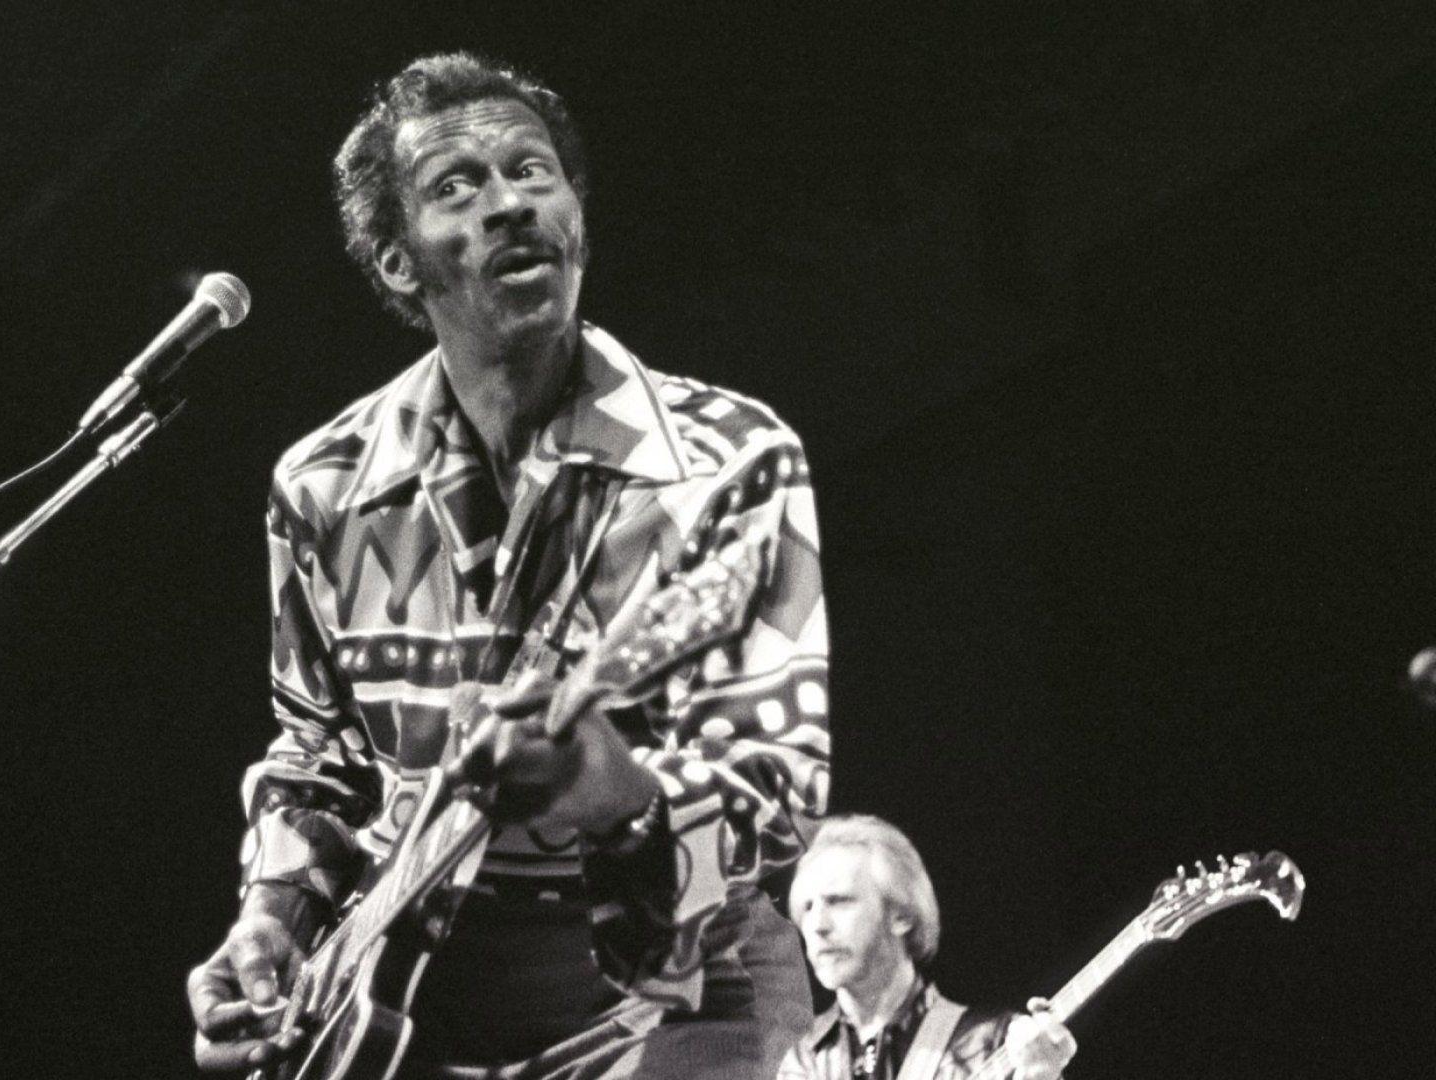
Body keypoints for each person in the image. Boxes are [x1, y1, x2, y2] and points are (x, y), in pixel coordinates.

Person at [186, 52, 831, 1079]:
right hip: (413, 987)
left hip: (680, 972)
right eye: (457, 186)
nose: (510, 203)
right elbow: (318, 753)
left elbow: (779, 795)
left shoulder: (728, 461)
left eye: (533, 172)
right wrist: (273, 914)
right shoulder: (323, 484)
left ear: (577, 219)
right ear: (400, 263)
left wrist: (614, 794)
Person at [780, 816, 1077, 1080]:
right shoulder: (801, 1063)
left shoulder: (994, 1043)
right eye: (807, 908)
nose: (817, 925)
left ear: (901, 915)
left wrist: (1043, 1077)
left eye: (838, 901)